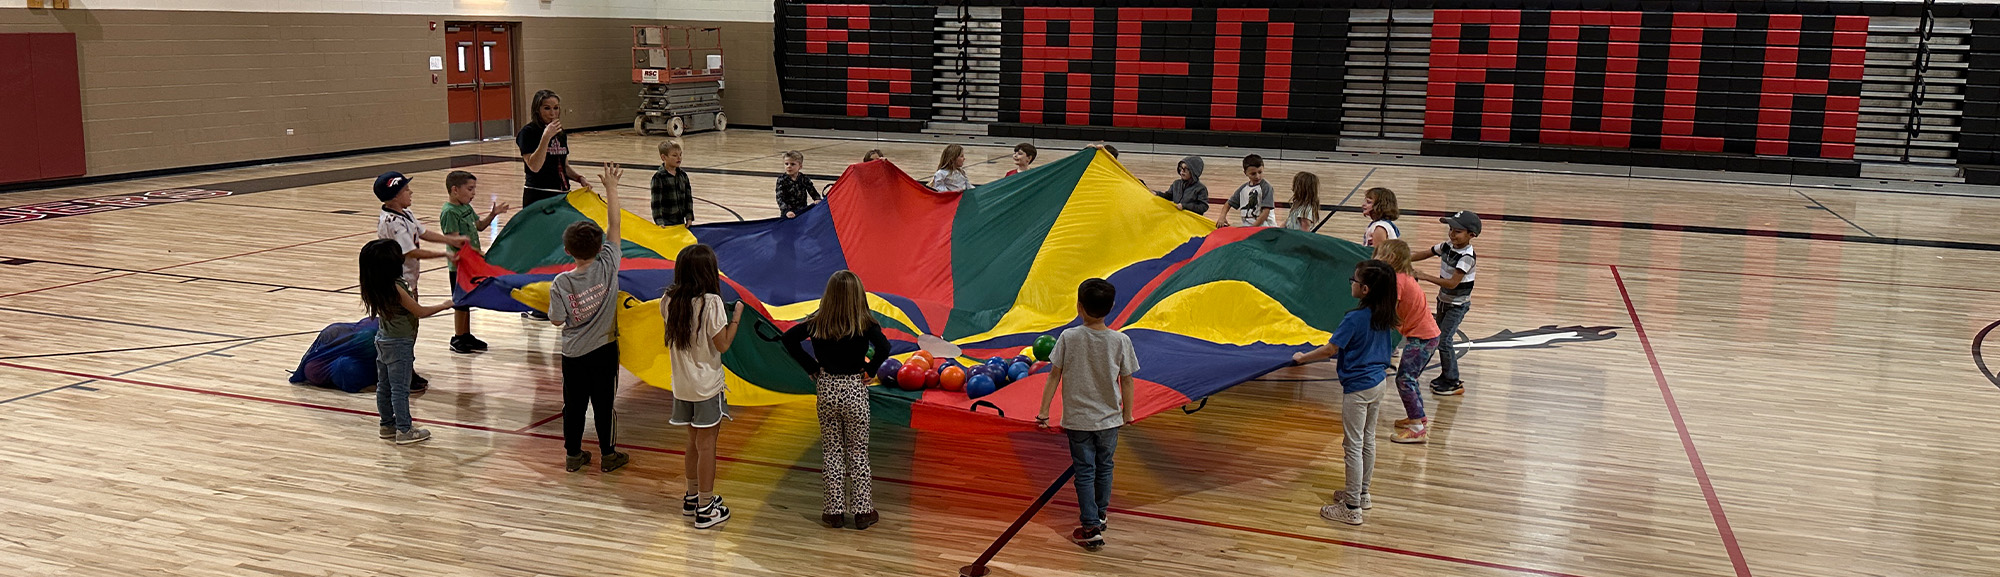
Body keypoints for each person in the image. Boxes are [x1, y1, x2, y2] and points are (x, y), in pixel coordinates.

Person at [781, 271, 892, 530]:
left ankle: (833, 512)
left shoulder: (818, 322)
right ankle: (863, 512)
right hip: (854, 389)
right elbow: (885, 347)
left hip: (827, 388)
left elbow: (788, 339)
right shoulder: (865, 323)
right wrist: (872, 368)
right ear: (858, 297)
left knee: (832, 452)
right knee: (858, 452)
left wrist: (811, 365)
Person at [1292, 260, 1399, 526]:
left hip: (1359, 388)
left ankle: (1351, 508)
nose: (1350, 282)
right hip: (1378, 383)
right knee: (1368, 440)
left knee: (1352, 445)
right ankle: (1362, 494)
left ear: (1364, 289)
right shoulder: (1384, 314)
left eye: (1353, 279)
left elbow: (1330, 349)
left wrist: (1302, 358)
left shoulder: (1355, 318)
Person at [1035, 278, 1139, 550]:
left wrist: (1044, 412)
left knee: (1085, 471)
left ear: (1079, 306)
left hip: (1079, 421)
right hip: (1109, 421)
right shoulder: (1121, 340)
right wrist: (1128, 413)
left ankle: (1091, 526)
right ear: (1112, 306)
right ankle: (1100, 514)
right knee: (1105, 466)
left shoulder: (1069, 337)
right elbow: (1127, 380)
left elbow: (1053, 376)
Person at [549, 164, 630, 474]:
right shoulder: (609, 263)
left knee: (574, 406)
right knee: (604, 404)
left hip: (573, 354)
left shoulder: (561, 283)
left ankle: (573, 455)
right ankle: (608, 455)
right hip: (605, 350)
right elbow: (615, 224)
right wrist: (611, 187)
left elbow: (557, 321)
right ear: (600, 247)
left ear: (567, 250)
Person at [662, 243, 745, 529]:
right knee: (707, 445)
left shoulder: (668, 300)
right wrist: (736, 320)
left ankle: (691, 496)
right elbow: (722, 344)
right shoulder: (712, 303)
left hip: (681, 386)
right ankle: (706, 508)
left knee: (692, 442)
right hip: (707, 387)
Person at [375, 171, 467, 390]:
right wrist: (445, 253)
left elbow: (423, 232)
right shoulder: (393, 222)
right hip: (397, 283)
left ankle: (406, 368)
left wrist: (449, 239)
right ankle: (402, 372)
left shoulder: (405, 214)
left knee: (411, 328)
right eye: (406, 189)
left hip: (409, 281)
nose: (411, 192)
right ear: (395, 195)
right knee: (405, 329)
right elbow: (411, 252)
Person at [358, 239, 454, 445]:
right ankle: (404, 430)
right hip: (399, 344)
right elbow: (419, 312)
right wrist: (445, 305)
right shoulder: (396, 288)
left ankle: (386, 424)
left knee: (384, 386)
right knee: (400, 389)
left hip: (383, 340)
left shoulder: (375, 285)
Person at [1375, 240, 1442, 444]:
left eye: (1378, 254)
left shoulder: (1396, 281)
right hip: (1426, 335)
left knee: (1404, 380)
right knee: (1409, 378)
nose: (1374, 257)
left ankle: (1417, 428)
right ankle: (1418, 416)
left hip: (1422, 337)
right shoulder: (1402, 277)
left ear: (1391, 258)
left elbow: (1389, 311)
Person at [1411, 211, 1481, 396]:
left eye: (1457, 231)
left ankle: (1453, 381)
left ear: (1471, 235)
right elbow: (1426, 252)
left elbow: (1452, 283)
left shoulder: (1466, 257)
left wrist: (1425, 276)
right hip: (1443, 301)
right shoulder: (1447, 246)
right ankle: (1446, 375)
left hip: (1457, 305)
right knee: (1436, 338)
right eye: (1451, 229)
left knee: (1444, 340)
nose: (1452, 234)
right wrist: (1403, 259)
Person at [440, 171, 510, 354]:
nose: (473, 193)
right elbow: (454, 240)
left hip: (470, 264)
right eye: (470, 189)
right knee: (460, 301)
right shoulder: (449, 212)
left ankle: (466, 335)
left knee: (467, 300)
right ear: (455, 190)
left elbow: (479, 226)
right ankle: (457, 337)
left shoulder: (466, 208)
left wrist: (493, 215)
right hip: (458, 266)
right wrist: (475, 252)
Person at [517, 89, 590, 208]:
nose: (552, 113)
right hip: (539, 194)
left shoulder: (560, 133)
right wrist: (546, 137)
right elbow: (534, 166)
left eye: (556, 108)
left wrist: (579, 178)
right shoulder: (527, 132)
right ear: (537, 110)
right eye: (547, 108)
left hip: (561, 194)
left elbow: (564, 165)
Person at [1215, 154, 1276, 227]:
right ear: (1245, 173)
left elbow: (1266, 212)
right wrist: (1222, 217)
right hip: (1248, 227)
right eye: (1253, 174)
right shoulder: (1243, 189)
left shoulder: (1266, 187)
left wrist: (1252, 228)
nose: (1257, 176)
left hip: (1265, 227)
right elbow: (1228, 204)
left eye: (1260, 172)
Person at [651, 140, 694, 227]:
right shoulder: (659, 177)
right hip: (666, 222)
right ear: (663, 157)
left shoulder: (683, 175)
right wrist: (659, 221)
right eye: (674, 155)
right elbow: (656, 203)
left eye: (680, 154)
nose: (679, 158)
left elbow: (688, 198)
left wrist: (689, 217)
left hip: (680, 220)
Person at [776, 150, 822, 218]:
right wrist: (787, 211)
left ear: (800, 166)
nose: (789, 166)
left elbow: (812, 190)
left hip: (802, 211)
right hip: (788, 213)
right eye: (786, 164)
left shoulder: (804, 178)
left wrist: (817, 198)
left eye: (792, 164)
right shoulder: (782, 180)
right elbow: (780, 198)